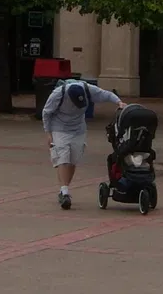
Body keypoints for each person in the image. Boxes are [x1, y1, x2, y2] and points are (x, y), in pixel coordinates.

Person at [42, 78, 124, 209]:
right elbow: (46, 112)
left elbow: (106, 94)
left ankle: (64, 189)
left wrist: (119, 102)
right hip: (60, 128)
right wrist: (48, 134)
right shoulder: (59, 93)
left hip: (78, 129)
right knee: (63, 157)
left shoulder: (88, 89)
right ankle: (65, 192)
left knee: (73, 159)